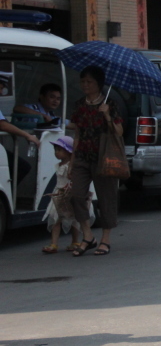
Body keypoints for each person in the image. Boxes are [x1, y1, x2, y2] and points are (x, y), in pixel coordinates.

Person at [68, 66, 119, 257]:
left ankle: (105, 239)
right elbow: (78, 132)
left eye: (89, 82)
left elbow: (119, 132)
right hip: (82, 155)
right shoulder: (80, 104)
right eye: (82, 81)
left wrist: (107, 115)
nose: (85, 85)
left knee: (106, 198)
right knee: (76, 195)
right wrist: (72, 160)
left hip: (104, 157)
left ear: (99, 84)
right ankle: (88, 236)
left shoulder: (110, 104)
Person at [41, 136, 81, 254]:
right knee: (55, 219)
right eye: (55, 150)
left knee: (74, 220)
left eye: (59, 150)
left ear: (69, 151)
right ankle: (54, 243)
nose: (56, 153)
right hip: (58, 195)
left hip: (68, 195)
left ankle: (75, 241)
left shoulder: (71, 166)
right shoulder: (59, 165)